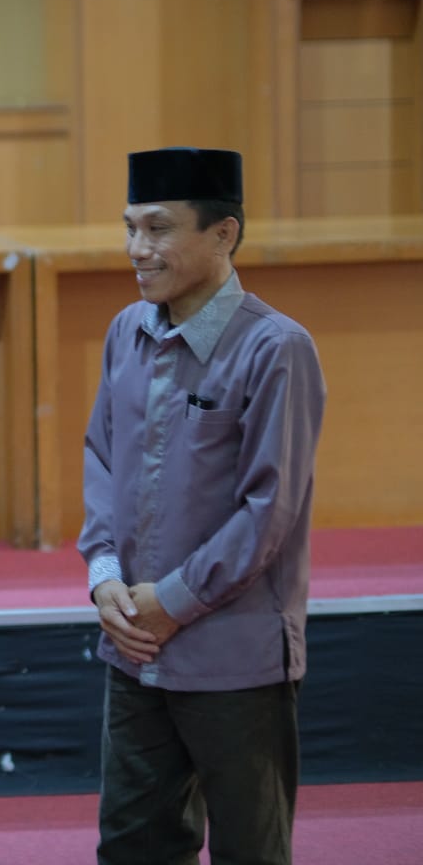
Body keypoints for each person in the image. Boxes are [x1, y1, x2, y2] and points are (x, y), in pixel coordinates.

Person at [78, 147, 326, 865]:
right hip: (134, 648)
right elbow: (101, 457)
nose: (137, 249)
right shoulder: (126, 330)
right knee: (132, 847)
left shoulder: (277, 348)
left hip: (234, 657)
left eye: (158, 228)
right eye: (129, 228)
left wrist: (173, 601)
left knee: (251, 849)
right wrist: (104, 574)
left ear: (224, 234)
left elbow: (270, 510)